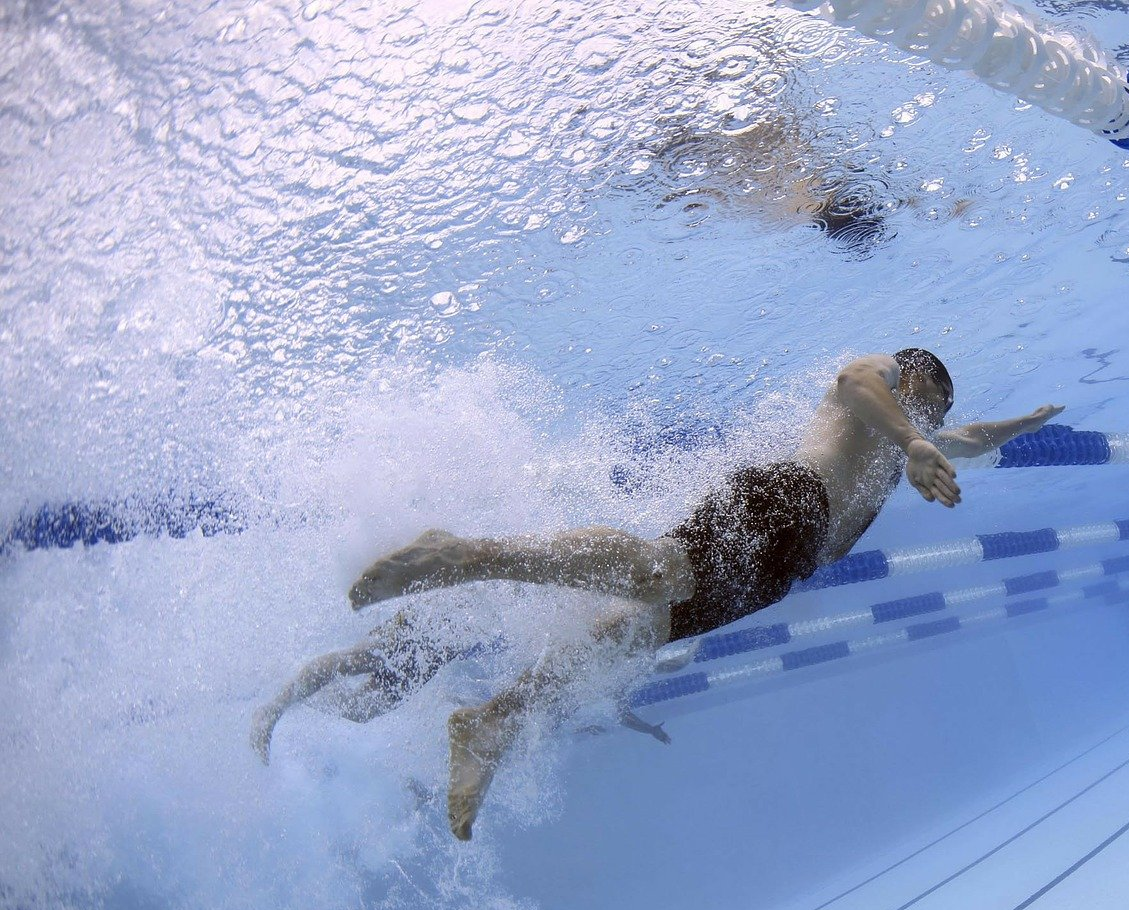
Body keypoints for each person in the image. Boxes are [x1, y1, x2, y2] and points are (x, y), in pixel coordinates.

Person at [256, 349, 1063, 841]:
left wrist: (1018, 426)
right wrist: (915, 435)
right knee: (653, 572)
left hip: (778, 571)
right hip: (785, 500)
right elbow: (856, 382)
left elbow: (965, 439)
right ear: (912, 378)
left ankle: (492, 721)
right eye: (924, 400)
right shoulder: (882, 387)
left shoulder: (909, 445)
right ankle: (461, 556)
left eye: (933, 413)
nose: (928, 416)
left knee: (630, 635)